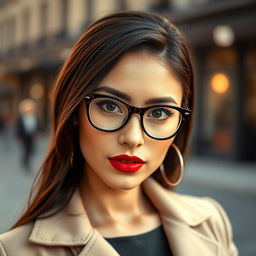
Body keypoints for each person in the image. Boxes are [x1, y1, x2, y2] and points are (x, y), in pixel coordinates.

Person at [0, 11, 238, 255]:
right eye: (110, 106)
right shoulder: (14, 249)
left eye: (159, 113)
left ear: (180, 120)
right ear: (74, 112)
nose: (133, 138)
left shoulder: (211, 223)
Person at [16, 99, 39, 171]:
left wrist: (38, 132)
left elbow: (38, 126)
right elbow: (18, 128)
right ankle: (26, 163)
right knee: (26, 149)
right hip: (24, 136)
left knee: (32, 149)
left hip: (32, 136)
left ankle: (25, 161)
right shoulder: (21, 118)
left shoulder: (34, 117)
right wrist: (18, 137)